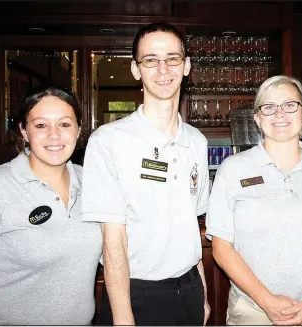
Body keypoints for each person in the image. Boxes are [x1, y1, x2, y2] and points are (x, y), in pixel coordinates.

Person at [80, 22, 210, 326]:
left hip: (189, 287)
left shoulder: (197, 141)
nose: (163, 69)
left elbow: (191, 225)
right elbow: (113, 241)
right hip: (137, 293)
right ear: (136, 69)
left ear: (186, 66)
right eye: (151, 60)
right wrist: (124, 318)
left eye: (173, 59)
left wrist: (202, 293)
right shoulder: (108, 141)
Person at [206, 75, 302, 325]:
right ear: (257, 119)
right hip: (253, 313)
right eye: (269, 107)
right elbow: (221, 248)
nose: (280, 114)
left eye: (289, 105)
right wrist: (267, 302)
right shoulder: (232, 169)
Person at [0, 86, 102, 325]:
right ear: (24, 131)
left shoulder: (94, 184)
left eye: (64, 124)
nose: (54, 135)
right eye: (40, 125)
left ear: (79, 130)